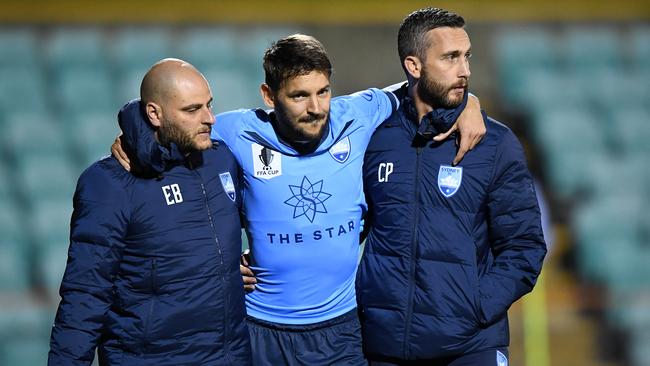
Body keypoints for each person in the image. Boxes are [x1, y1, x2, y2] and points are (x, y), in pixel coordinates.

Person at [113, 35, 485, 365]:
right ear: (268, 95)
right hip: (261, 330)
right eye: (299, 96)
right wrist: (135, 132)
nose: (316, 107)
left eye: (323, 91)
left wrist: (469, 103)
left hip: (342, 330)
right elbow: (167, 118)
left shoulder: (357, 114)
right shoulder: (237, 130)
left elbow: (421, 89)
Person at [356, 8, 547, 366]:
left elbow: (524, 247)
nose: (466, 71)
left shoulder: (495, 144)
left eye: (467, 55)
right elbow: (349, 225)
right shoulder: (375, 139)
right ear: (414, 66)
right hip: (383, 345)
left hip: (469, 347)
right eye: (450, 57)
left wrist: (473, 306)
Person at [48, 59, 251, 366]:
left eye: (209, 105)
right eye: (192, 110)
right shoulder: (109, 184)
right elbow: (85, 295)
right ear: (155, 114)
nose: (209, 118)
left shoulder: (222, 160)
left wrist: (229, 265)